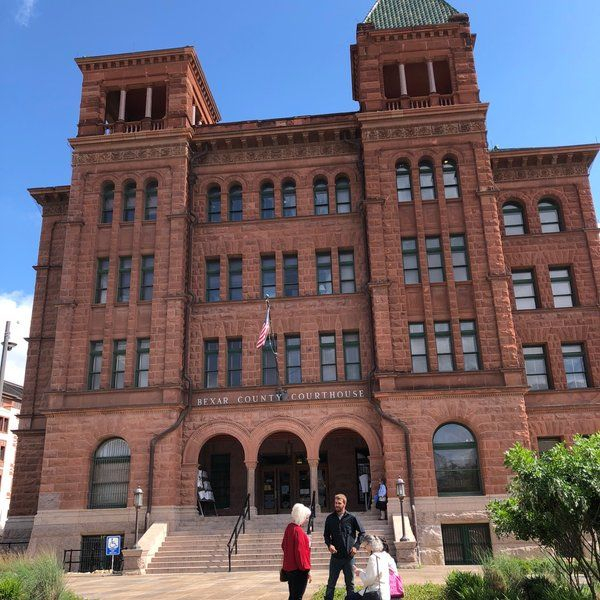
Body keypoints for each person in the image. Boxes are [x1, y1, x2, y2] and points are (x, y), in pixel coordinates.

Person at [323, 493, 365, 600]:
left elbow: (362, 533)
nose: (336, 505)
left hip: (349, 558)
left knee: (350, 585)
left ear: (344, 504)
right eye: (335, 503)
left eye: (339, 503)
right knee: (331, 584)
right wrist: (329, 545)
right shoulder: (330, 518)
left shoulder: (352, 518)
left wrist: (356, 546)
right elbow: (326, 535)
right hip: (336, 557)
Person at [281, 503, 312, 600]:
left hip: (290, 569)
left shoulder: (289, 528)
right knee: (297, 597)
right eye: (306, 517)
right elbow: (300, 553)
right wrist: (306, 569)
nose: (307, 520)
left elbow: (283, 545)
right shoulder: (298, 531)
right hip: (299, 570)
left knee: (293, 596)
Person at [348, 535, 392, 600]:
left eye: (365, 547)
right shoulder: (384, 555)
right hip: (385, 593)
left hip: (375, 594)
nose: (365, 550)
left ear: (370, 545)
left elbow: (368, 580)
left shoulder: (373, 557)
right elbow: (375, 574)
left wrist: (359, 573)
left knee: (349, 598)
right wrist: (361, 571)